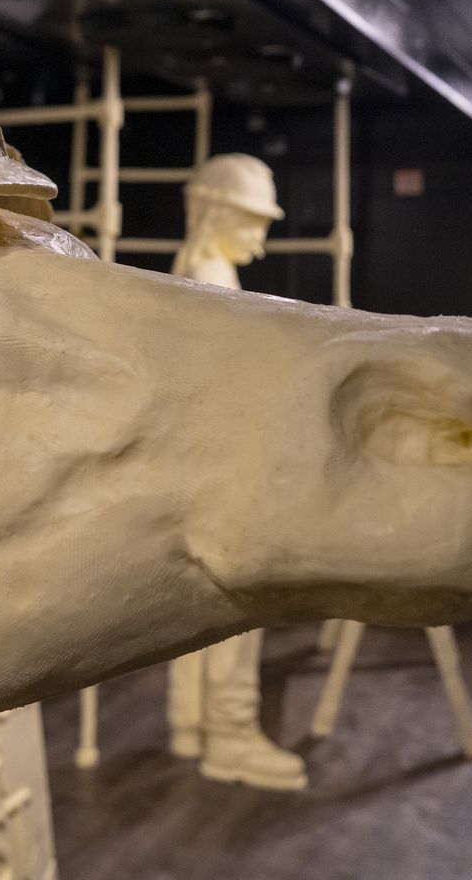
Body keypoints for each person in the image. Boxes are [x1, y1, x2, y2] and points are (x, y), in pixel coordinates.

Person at [167, 153, 308, 792]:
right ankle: (229, 735)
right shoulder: (211, 276)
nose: (262, 234)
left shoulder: (202, 267)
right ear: (219, 212)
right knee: (237, 607)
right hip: (221, 471)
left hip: (201, 465)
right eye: (252, 220)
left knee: (203, 609)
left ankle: (191, 725)